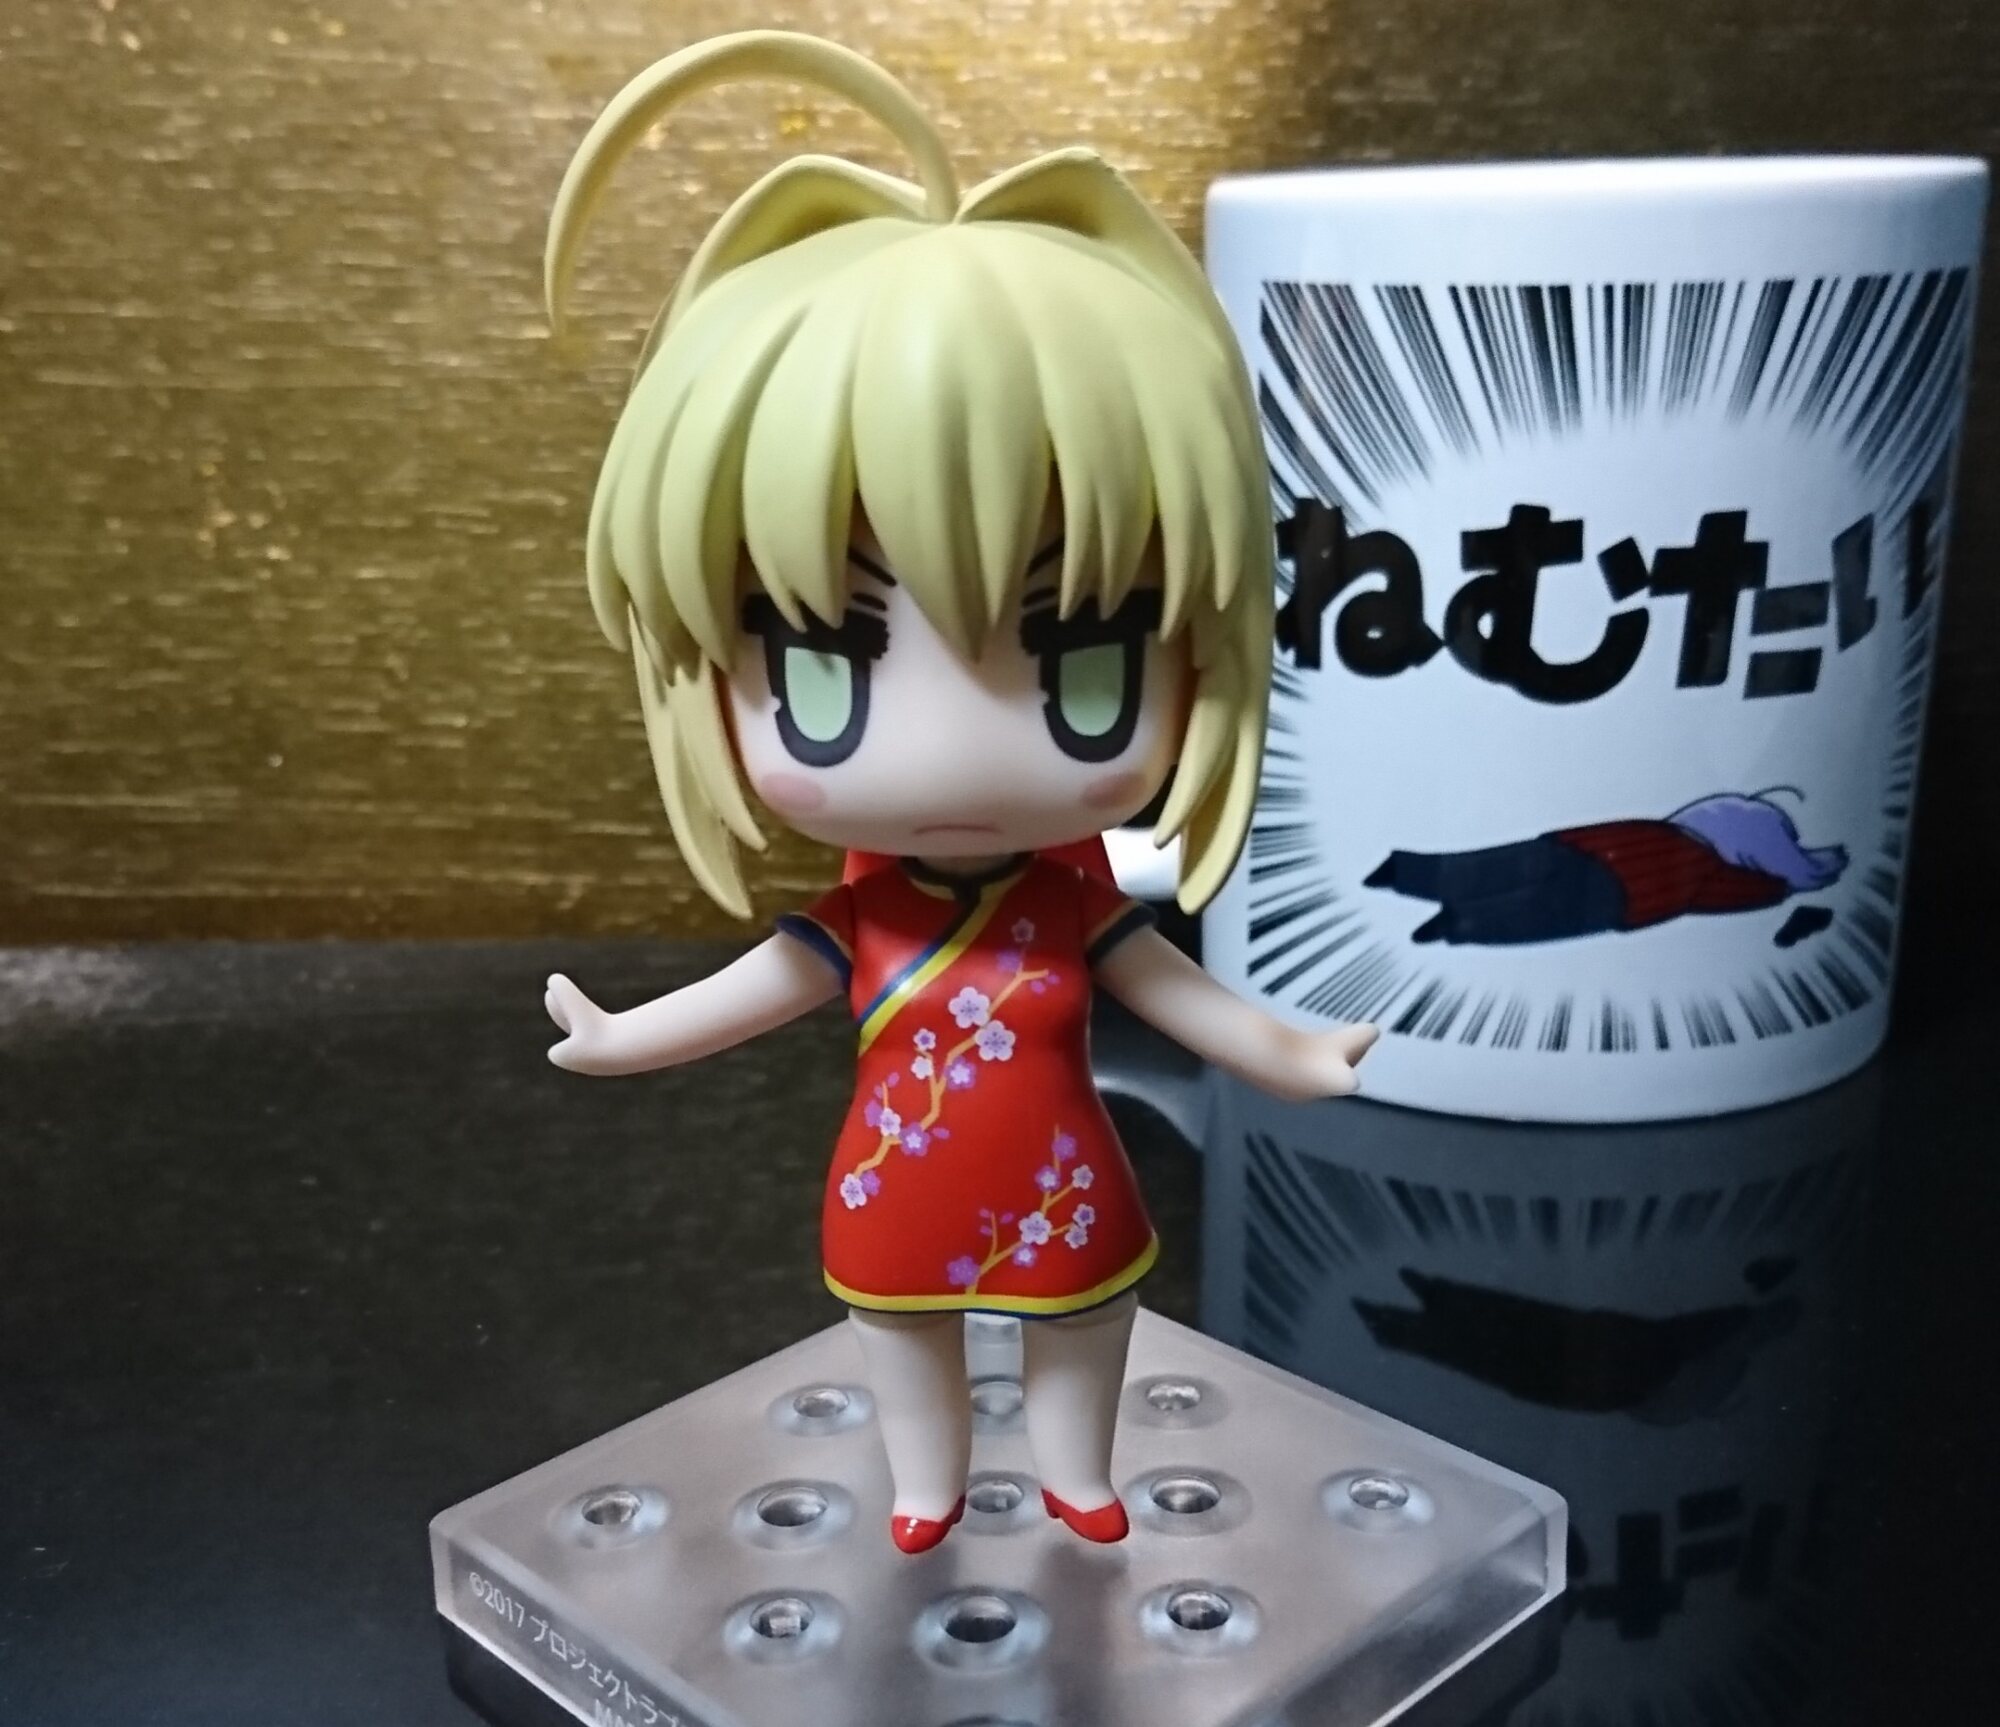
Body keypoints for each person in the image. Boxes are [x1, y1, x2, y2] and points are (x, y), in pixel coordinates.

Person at [536, 30, 1377, 1553]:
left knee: (1085, 1324)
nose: (948, 753)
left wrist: (1293, 1053)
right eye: (821, 670)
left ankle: (1078, 1474)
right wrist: (619, 1037)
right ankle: (925, 1484)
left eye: (1085, 661)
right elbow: (743, 995)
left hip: (1062, 1179)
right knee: (901, 1334)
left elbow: (1193, 1003)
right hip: (899, 1184)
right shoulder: (857, 924)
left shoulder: (1076, 908)